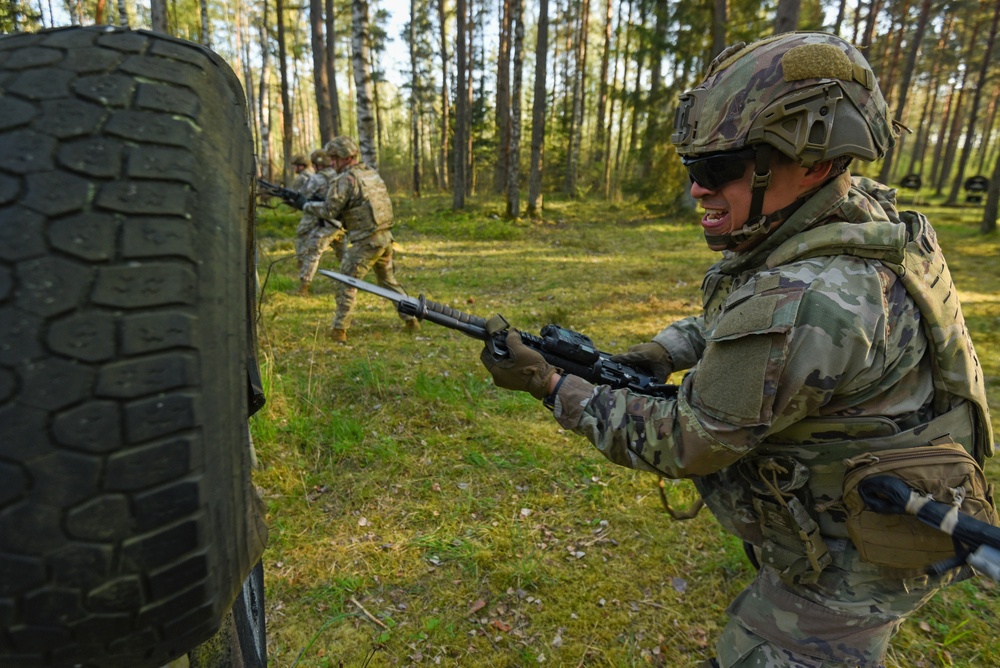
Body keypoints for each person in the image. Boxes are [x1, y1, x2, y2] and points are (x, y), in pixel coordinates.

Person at [478, 32, 995, 668]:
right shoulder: (851, 219)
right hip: (884, 513)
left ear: (812, 162)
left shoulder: (809, 296)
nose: (697, 190)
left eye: (718, 169)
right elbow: (738, 322)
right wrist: (662, 351)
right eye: (693, 168)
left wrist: (552, 386)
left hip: (853, 565)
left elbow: (686, 441)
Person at [302, 136, 419, 343]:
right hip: (384, 238)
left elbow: (330, 209)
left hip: (366, 241)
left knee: (346, 283)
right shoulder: (370, 174)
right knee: (388, 281)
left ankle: (339, 331)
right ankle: (410, 319)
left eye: (333, 158)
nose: (332, 163)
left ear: (343, 157)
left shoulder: (346, 180)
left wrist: (307, 206)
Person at [293, 149, 347, 296]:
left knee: (313, 251)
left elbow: (302, 195)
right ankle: (352, 281)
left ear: (316, 165)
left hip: (327, 224)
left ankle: (304, 286)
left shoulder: (316, 179)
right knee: (344, 254)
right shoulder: (341, 176)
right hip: (341, 223)